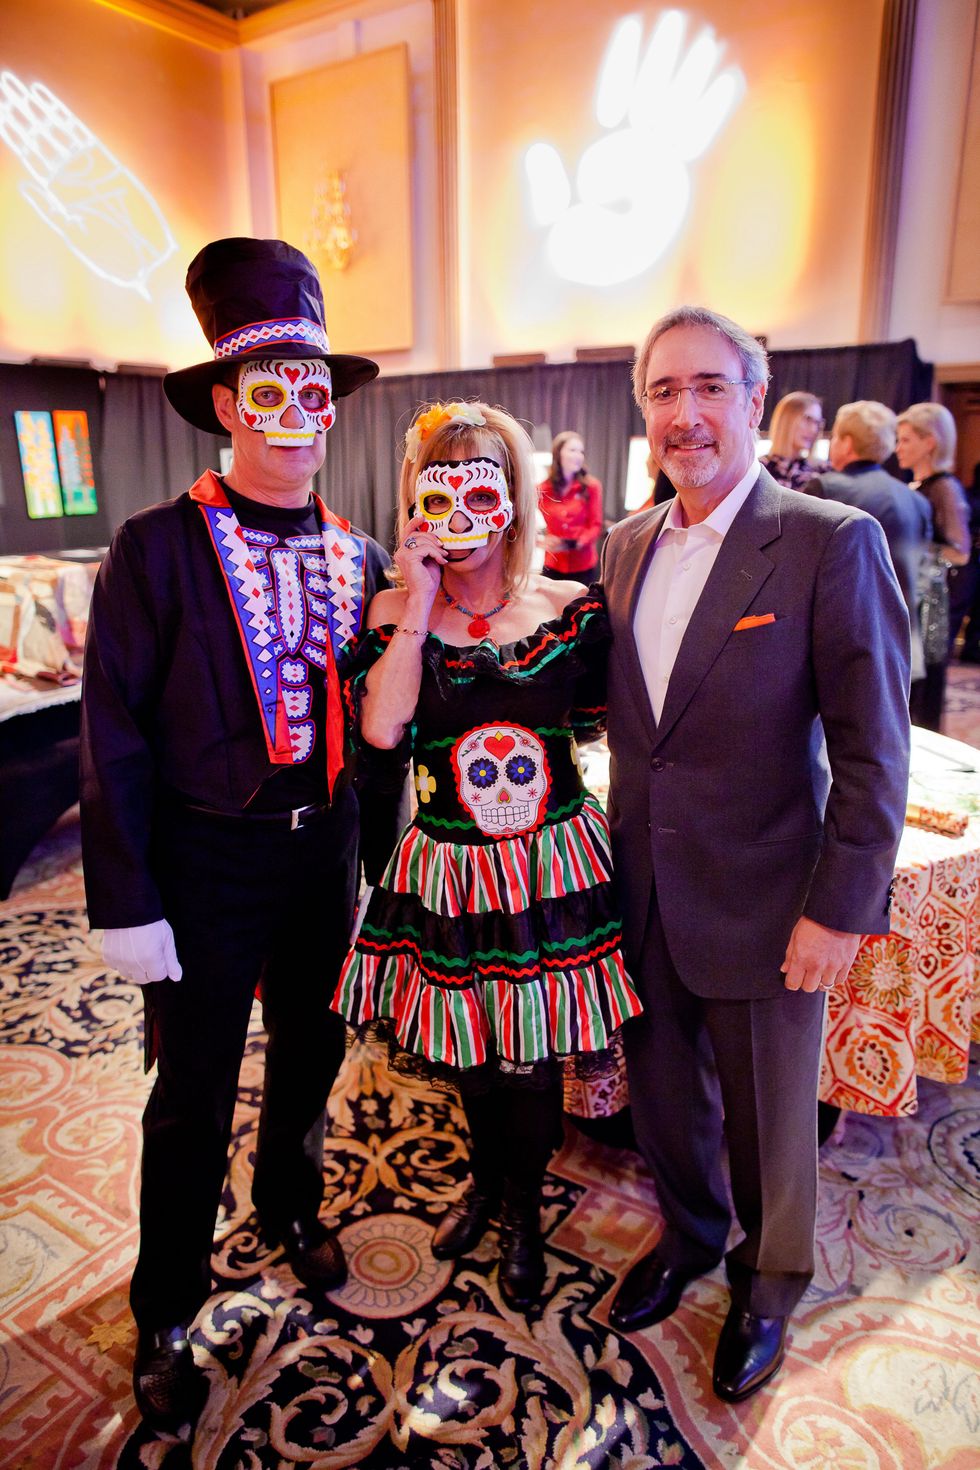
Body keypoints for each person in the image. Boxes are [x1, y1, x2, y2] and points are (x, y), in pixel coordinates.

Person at [80, 238, 392, 1430]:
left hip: (326, 851)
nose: (296, 415)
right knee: (192, 1089)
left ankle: (290, 1205)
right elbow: (110, 731)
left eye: (313, 390)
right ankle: (167, 1304)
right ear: (224, 405)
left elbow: (377, 722)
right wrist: (129, 900)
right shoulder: (153, 548)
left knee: (311, 1057)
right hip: (204, 862)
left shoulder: (361, 551)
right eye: (268, 389)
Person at [602, 306, 910, 1402]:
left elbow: (875, 750)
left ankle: (768, 1281)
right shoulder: (621, 545)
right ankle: (686, 1237)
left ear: (750, 396)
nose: (682, 415)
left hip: (770, 897)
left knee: (772, 1120)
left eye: (705, 388)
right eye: (660, 392)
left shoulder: (829, 540)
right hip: (639, 888)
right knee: (663, 1102)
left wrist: (839, 907)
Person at [332, 400, 642, 1311]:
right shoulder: (393, 609)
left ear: (511, 499)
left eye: (482, 488)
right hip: (450, 869)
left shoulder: (572, 609)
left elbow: (603, 729)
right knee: (470, 1047)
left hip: (551, 866)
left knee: (531, 1057)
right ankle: (485, 1183)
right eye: (442, 492)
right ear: (417, 502)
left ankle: (523, 1208)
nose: (461, 517)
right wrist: (420, 602)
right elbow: (383, 728)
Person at [806, 400, 931, 692]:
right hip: (905, 638)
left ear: (847, 444)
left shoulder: (825, 490)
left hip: (843, 643)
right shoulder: (917, 500)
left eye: (834, 437)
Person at [896, 403, 972, 723]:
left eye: (906, 440)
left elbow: (960, 551)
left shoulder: (943, 487)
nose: (898, 448)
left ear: (930, 443)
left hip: (933, 603)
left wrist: (915, 549)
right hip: (917, 596)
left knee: (923, 691)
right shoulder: (921, 486)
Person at [537, 430, 604, 582]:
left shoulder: (591, 486)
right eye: (573, 450)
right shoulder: (542, 489)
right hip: (552, 565)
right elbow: (523, 520)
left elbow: (595, 525)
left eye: (581, 451)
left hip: (583, 567)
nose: (579, 456)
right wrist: (538, 540)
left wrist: (574, 544)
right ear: (558, 453)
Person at [760, 389, 829, 490]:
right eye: (808, 419)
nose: (813, 430)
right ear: (786, 420)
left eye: (817, 423)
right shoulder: (759, 470)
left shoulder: (820, 472)